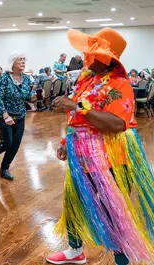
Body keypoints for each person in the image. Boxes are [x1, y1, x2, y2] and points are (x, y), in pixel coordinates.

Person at [46, 27, 154, 265]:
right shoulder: (88, 78)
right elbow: (79, 119)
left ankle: (122, 260)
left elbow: (117, 124)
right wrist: (66, 142)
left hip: (111, 155)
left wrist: (78, 106)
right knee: (73, 200)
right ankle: (75, 251)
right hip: (81, 152)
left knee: (111, 208)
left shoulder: (120, 84)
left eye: (91, 53)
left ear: (107, 57)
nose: (85, 57)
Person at [0, 52, 36, 180]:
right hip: (5, 116)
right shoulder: (5, 78)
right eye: (20, 60)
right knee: (7, 143)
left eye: (24, 60)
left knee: (15, 144)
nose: (23, 62)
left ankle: (4, 168)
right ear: (13, 63)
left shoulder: (26, 79)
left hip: (20, 116)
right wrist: (5, 115)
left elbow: (27, 96)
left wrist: (34, 97)